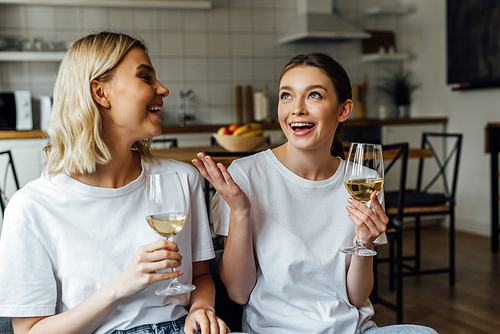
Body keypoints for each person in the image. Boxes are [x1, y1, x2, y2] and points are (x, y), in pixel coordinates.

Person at [0, 32, 228, 334]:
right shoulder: (32, 206)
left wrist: (201, 309)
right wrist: (121, 285)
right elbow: (28, 332)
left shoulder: (181, 179)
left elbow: (199, 277)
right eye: (145, 77)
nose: (163, 88)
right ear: (100, 93)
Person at [193, 53, 437, 334]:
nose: (297, 109)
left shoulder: (365, 183)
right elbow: (238, 293)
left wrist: (365, 242)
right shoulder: (245, 176)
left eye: (314, 96)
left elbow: (357, 298)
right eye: (286, 96)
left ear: (343, 110)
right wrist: (240, 211)